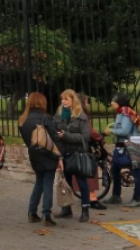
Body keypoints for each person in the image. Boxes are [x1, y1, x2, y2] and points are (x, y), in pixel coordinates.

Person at [18, 92, 62, 226]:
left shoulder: (23, 119)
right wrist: (60, 155)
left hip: (34, 154)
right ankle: (46, 214)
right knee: (48, 183)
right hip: (48, 154)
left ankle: (32, 212)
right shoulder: (45, 118)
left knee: (39, 183)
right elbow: (55, 138)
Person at [54, 89, 93, 223]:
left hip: (78, 154)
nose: (63, 101)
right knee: (66, 182)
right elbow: (54, 130)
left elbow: (85, 137)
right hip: (64, 153)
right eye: (62, 99)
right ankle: (66, 209)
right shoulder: (58, 114)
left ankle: (85, 210)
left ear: (73, 100)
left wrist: (66, 136)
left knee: (81, 182)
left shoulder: (81, 116)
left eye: (66, 99)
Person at [103, 92, 140, 208]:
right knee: (114, 169)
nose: (111, 102)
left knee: (136, 173)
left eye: (113, 100)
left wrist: (111, 131)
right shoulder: (121, 113)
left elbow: (124, 131)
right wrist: (112, 127)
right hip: (122, 146)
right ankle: (116, 196)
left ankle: (137, 199)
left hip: (131, 146)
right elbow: (120, 127)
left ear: (119, 102)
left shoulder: (126, 113)